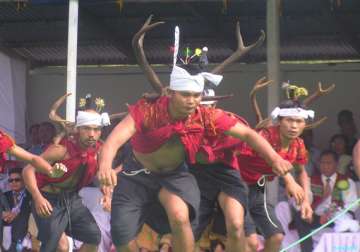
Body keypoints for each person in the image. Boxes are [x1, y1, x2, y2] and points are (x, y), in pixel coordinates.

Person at [98, 27, 293, 252]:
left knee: (181, 217)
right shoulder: (147, 111)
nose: (192, 101)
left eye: (196, 95)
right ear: (171, 92)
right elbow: (113, 141)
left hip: (174, 175)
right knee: (122, 237)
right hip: (135, 176)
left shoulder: (206, 116)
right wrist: (105, 166)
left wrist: (274, 158)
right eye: (185, 95)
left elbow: (248, 134)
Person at [22, 94, 112, 252]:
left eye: (96, 129)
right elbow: (28, 169)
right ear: (78, 129)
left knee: (94, 237)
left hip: (73, 200)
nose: (92, 134)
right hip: (48, 200)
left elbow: (102, 175)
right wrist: (37, 198)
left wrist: (107, 193)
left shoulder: (98, 150)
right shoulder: (61, 150)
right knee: (60, 246)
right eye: (87, 128)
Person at [291, 150, 359, 252]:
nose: (325, 166)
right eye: (322, 163)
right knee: (299, 216)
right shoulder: (310, 181)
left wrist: (330, 212)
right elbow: (301, 202)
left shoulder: (347, 181)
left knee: (344, 220)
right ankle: (307, 250)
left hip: (336, 217)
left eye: (328, 163)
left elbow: (352, 204)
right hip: (316, 217)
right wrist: (320, 199)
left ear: (336, 164)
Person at [1, 168, 32, 252]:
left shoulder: (32, 196)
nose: (13, 182)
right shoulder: (4, 196)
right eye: (10, 180)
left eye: (17, 180)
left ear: (24, 180)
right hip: (6, 241)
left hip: (27, 241)